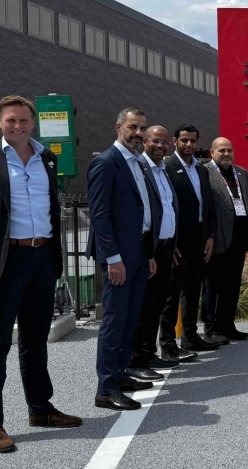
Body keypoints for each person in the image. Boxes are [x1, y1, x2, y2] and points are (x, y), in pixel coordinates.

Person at [0, 96, 81, 453]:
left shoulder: (47, 157)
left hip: (41, 258)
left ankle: (40, 409)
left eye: (24, 120)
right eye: (11, 120)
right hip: (5, 261)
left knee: (35, 340)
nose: (18, 126)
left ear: (34, 123)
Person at [87, 107, 161, 411]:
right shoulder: (106, 163)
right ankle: (106, 388)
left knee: (131, 319)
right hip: (119, 257)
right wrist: (113, 258)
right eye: (133, 127)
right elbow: (100, 216)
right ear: (119, 127)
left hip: (140, 252)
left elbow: (143, 209)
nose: (139, 133)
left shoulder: (138, 164)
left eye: (142, 128)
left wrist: (150, 253)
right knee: (115, 322)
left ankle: (121, 374)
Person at [129, 126, 185, 380]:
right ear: (145, 142)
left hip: (165, 248)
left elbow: (168, 209)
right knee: (142, 306)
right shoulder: (140, 169)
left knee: (156, 305)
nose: (161, 146)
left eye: (165, 142)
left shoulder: (164, 170)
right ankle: (136, 359)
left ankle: (149, 353)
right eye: (155, 141)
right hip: (147, 249)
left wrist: (171, 244)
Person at [161, 125, 217, 353]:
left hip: (200, 241)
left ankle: (190, 337)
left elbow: (208, 206)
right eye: (184, 140)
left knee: (194, 291)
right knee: (171, 295)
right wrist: (170, 243)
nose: (189, 145)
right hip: (178, 243)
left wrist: (211, 236)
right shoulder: (166, 168)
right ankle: (167, 343)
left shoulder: (202, 170)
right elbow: (165, 207)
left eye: (192, 140)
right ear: (175, 141)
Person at [204, 137, 248, 341]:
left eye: (229, 150)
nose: (226, 154)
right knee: (212, 285)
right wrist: (209, 235)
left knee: (232, 285)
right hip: (217, 238)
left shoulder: (241, 172)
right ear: (212, 152)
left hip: (238, 237)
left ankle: (227, 324)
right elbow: (206, 208)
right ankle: (211, 328)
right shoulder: (204, 172)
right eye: (222, 150)